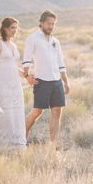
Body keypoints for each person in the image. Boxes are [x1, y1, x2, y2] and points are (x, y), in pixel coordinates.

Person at [22, 10, 70, 147]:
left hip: (56, 81)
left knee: (57, 111)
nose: (51, 26)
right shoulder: (33, 38)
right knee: (37, 111)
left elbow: (60, 63)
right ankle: (21, 138)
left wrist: (66, 82)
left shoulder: (55, 41)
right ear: (41, 23)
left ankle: (53, 144)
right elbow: (26, 59)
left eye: (53, 24)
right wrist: (27, 76)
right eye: (48, 23)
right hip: (41, 80)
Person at [0, 17, 29, 150]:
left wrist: (26, 76)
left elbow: (13, 66)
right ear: (4, 28)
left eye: (16, 28)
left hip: (15, 85)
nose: (15, 30)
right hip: (2, 83)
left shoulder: (14, 46)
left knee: (15, 113)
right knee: (3, 113)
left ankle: (15, 144)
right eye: (12, 28)